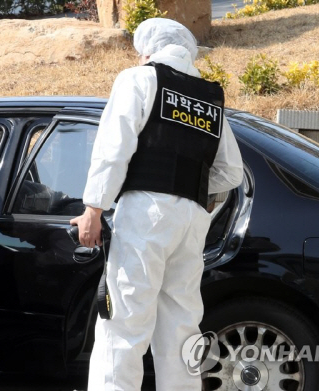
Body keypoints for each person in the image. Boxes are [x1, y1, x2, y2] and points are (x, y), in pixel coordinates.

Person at [69, 18, 244, 390]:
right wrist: (192, 198)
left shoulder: (138, 78)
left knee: (125, 325)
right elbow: (231, 173)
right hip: (192, 220)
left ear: (147, 50)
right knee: (182, 328)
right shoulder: (209, 98)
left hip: (146, 214)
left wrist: (93, 209)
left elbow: (113, 149)